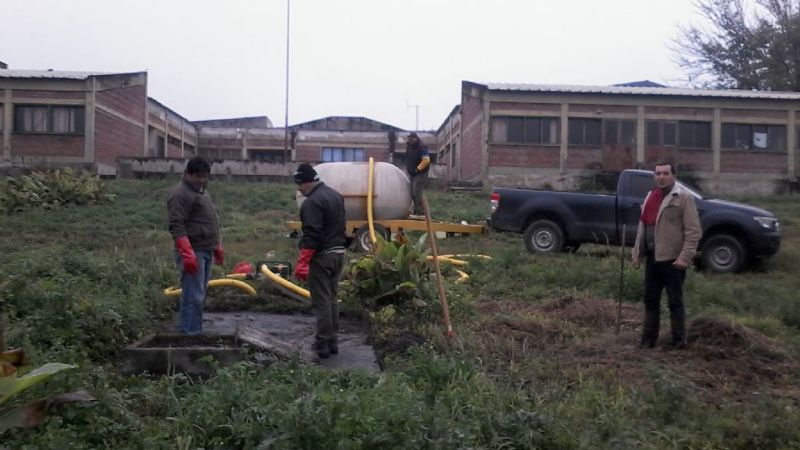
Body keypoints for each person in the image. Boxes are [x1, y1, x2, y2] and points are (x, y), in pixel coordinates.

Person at [632, 162, 701, 349]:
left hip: (673, 260)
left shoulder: (683, 198)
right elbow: (643, 226)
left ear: (673, 176)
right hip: (653, 258)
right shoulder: (651, 196)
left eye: (666, 173)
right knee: (651, 300)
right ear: (654, 176)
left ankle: (679, 342)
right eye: (658, 173)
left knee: (675, 302)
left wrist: (684, 258)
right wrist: (637, 253)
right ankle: (647, 341)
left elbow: (693, 231)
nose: (661, 177)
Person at [293, 163, 347, 359]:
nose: (299, 189)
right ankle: (333, 341)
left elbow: (312, 234)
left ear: (307, 182)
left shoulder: (312, 203)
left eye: (299, 184)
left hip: (322, 256)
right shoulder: (335, 195)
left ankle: (322, 342)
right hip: (339, 253)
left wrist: (303, 262)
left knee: (322, 300)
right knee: (332, 298)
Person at [167, 156, 224, 335]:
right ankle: (189, 334)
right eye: (198, 176)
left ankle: (194, 330)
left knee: (199, 295)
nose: (202, 180)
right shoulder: (179, 194)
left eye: (205, 176)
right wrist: (187, 252)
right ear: (188, 174)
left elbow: (207, 220)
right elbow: (177, 225)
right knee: (193, 296)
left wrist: (216, 245)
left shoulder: (201, 192)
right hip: (194, 251)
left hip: (205, 250)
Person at [405, 132, 430, 218]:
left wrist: (418, 169)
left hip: (421, 173)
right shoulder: (409, 146)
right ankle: (415, 211)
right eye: (409, 139)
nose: (410, 140)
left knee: (417, 191)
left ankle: (420, 213)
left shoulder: (422, 147)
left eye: (411, 139)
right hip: (412, 173)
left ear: (416, 139)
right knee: (411, 192)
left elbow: (426, 160)